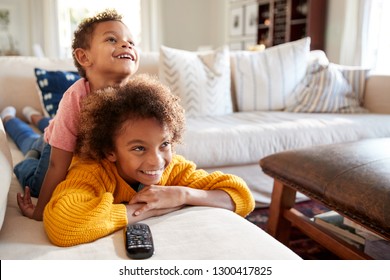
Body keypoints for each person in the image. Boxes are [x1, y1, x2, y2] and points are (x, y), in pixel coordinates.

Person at [43, 74, 255, 247]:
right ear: (110, 151)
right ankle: (18, 119)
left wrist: (181, 194)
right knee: (29, 146)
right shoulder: (92, 171)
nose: (156, 162)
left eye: (164, 144)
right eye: (139, 148)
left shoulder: (173, 168)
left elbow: (242, 196)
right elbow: (62, 225)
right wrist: (149, 209)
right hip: (44, 153)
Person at [1, 8, 139, 221]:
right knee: (32, 159)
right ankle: (10, 120)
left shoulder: (137, 97)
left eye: (131, 42)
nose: (127, 44)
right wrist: (40, 213)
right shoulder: (76, 96)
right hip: (54, 146)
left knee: (47, 126)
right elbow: (57, 164)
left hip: (61, 131)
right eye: (112, 39)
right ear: (84, 57)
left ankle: (33, 116)